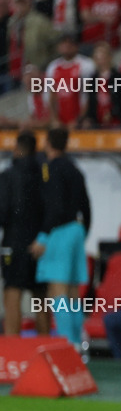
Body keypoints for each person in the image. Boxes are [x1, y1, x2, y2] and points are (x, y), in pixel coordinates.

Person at [29, 127, 91, 351]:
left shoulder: (51, 169)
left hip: (60, 232)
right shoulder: (75, 169)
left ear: (47, 143)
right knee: (73, 291)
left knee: (58, 291)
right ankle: (79, 340)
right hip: (77, 229)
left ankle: (69, 343)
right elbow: (86, 205)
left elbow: (54, 207)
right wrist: (84, 232)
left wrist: (43, 236)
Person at [0, 132, 47, 336]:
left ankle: (12, 349)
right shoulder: (44, 174)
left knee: (12, 292)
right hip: (40, 244)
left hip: (14, 241)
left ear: (18, 148)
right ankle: (45, 344)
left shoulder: (8, 175)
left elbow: (2, 211)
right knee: (40, 297)